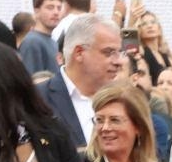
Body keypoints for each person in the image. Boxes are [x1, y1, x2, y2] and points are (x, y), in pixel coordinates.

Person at [38, 14, 126, 150]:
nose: (118, 61)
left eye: (119, 53)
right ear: (79, 53)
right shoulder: (38, 100)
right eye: (108, 53)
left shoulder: (124, 100)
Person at [20, 0, 64, 76]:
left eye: (59, 8)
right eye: (50, 8)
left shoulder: (52, 42)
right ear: (37, 11)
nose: (56, 12)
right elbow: (32, 79)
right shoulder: (32, 41)